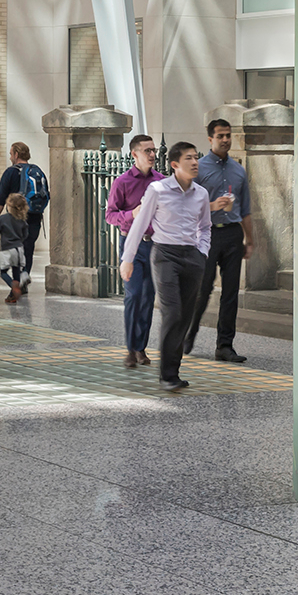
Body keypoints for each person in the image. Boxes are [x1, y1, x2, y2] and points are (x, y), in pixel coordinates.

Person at [119, 141, 211, 391]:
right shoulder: (157, 190)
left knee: (186, 316)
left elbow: (205, 227)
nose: (195, 162)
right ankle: (167, 375)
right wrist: (127, 259)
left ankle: (174, 371)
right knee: (173, 312)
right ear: (174, 164)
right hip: (165, 255)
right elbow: (139, 224)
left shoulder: (201, 194)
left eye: (196, 157)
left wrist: (202, 252)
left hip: (192, 256)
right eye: (189, 158)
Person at [185, 118, 252, 363]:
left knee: (231, 292)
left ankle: (225, 345)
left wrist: (250, 240)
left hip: (233, 234)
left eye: (228, 135)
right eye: (220, 135)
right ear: (210, 138)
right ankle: (188, 333)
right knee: (202, 289)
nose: (225, 140)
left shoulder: (238, 170)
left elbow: (245, 209)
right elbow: (188, 205)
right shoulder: (198, 168)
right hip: (206, 234)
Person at [105, 134, 165, 368]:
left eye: (153, 151)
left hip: (154, 245)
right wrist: (132, 214)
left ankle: (141, 348)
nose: (152, 155)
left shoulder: (160, 182)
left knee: (148, 297)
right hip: (130, 243)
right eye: (147, 151)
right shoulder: (122, 182)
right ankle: (130, 348)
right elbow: (110, 215)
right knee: (133, 295)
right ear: (134, 154)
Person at [0, 142, 49, 290]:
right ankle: (25, 275)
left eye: (11, 154)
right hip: (35, 216)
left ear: (16, 155)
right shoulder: (37, 171)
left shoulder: (10, 172)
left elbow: (0, 198)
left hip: (15, 218)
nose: (10, 157)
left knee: (14, 249)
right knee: (28, 248)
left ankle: (16, 282)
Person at [0, 192, 29, 304]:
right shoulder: (22, 220)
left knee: (3, 272)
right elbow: (25, 235)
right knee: (16, 271)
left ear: (9, 206)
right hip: (19, 249)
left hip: (7, 249)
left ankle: (14, 287)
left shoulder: (3, 218)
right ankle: (14, 294)